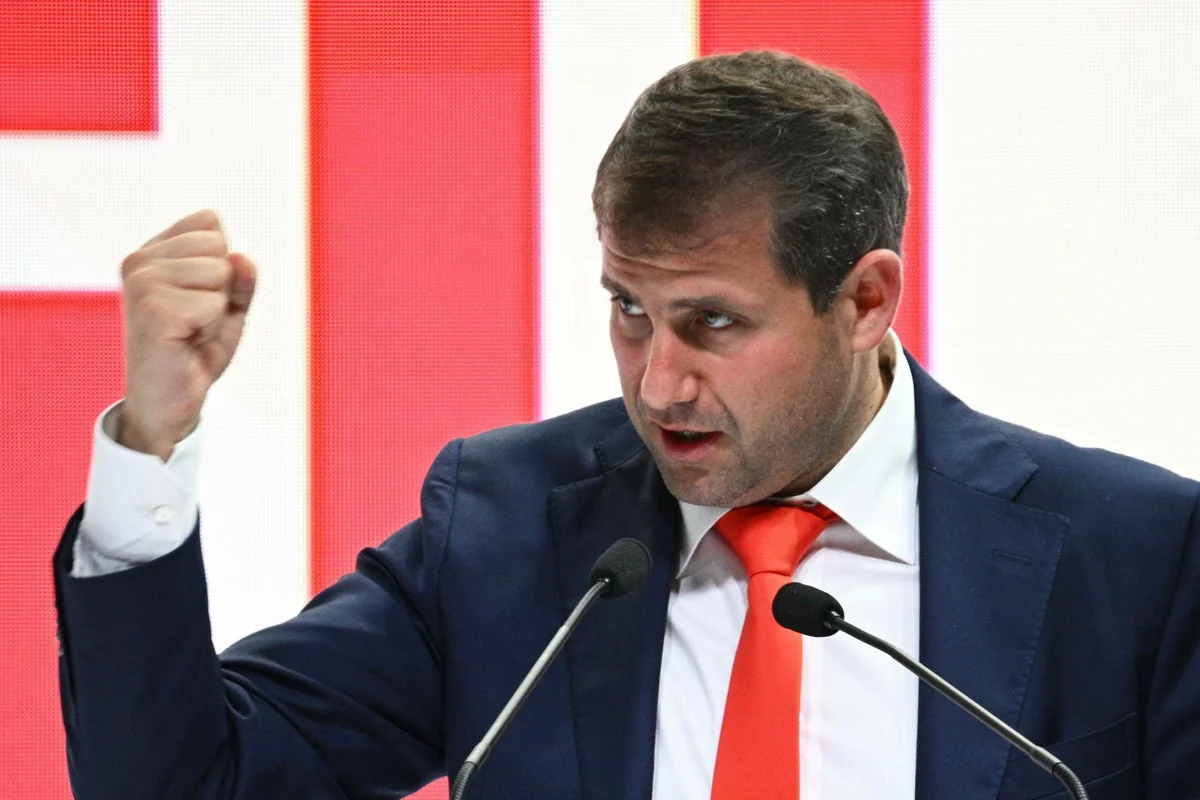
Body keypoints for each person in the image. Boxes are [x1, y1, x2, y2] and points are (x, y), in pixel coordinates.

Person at [54, 51, 1199, 799]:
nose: (658, 383)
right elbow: (191, 780)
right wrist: (151, 442)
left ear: (864, 300)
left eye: (712, 321)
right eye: (629, 309)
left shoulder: (1137, 558)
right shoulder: (507, 532)